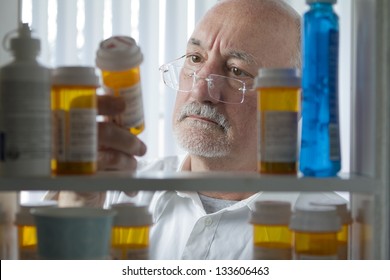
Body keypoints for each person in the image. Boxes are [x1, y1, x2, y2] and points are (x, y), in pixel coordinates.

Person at [52, 0, 346, 259]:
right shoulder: (115, 193)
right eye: (195, 59)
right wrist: (76, 207)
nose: (199, 90)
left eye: (236, 71)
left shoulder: (334, 230)